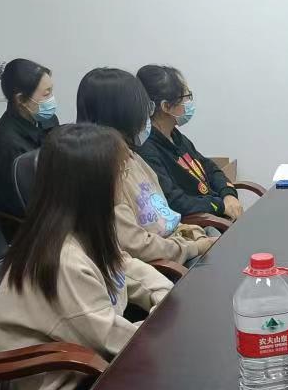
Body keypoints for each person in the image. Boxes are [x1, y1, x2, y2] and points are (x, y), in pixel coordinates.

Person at [0, 123, 173, 390]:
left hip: (95, 360)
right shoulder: (63, 260)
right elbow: (113, 340)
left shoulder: (86, 229)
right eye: (119, 172)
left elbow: (127, 266)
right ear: (92, 185)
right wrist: (165, 326)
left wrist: (163, 295)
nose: (124, 178)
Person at [75, 68, 212, 267]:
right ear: (121, 115)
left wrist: (195, 236)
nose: (147, 115)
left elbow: (165, 216)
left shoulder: (132, 157)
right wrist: (193, 247)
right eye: (142, 108)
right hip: (165, 265)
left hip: (179, 246)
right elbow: (136, 246)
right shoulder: (104, 175)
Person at [136, 65, 243, 221]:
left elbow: (210, 168)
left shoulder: (175, 136)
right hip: (200, 225)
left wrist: (228, 194)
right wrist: (220, 206)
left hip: (216, 216)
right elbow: (175, 202)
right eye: (185, 97)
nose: (189, 102)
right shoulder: (148, 150)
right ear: (166, 106)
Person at [0, 57, 59, 216]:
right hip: (11, 217)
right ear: (21, 100)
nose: (51, 99)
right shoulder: (7, 142)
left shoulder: (46, 119)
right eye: (46, 94)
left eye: (51, 91)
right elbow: (24, 203)